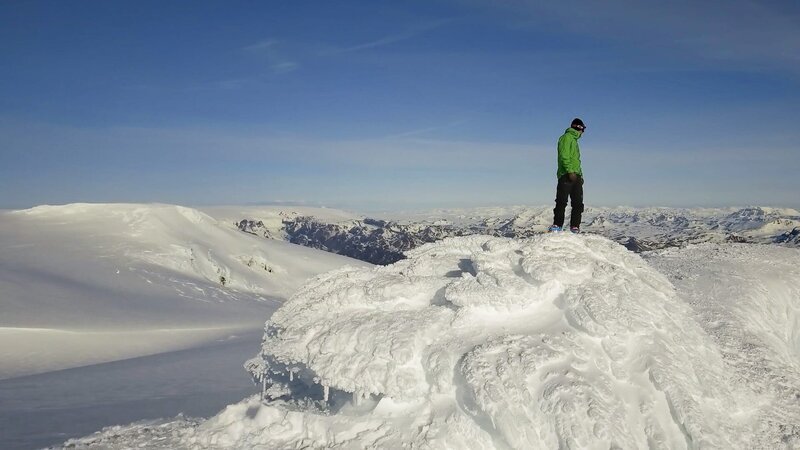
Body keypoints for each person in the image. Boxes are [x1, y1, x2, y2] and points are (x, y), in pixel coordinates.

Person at [549, 118, 585, 233]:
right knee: (561, 201)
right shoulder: (566, 138)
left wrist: (580, 175)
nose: (583, 132)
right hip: (566, 174)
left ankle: (575, 227)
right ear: (578, 127)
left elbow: (577, 161)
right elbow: (564, 156)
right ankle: (557, 225)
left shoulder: (574, 141)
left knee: (578, 203)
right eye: (583, 129)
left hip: (576, 175)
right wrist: (570, 171)